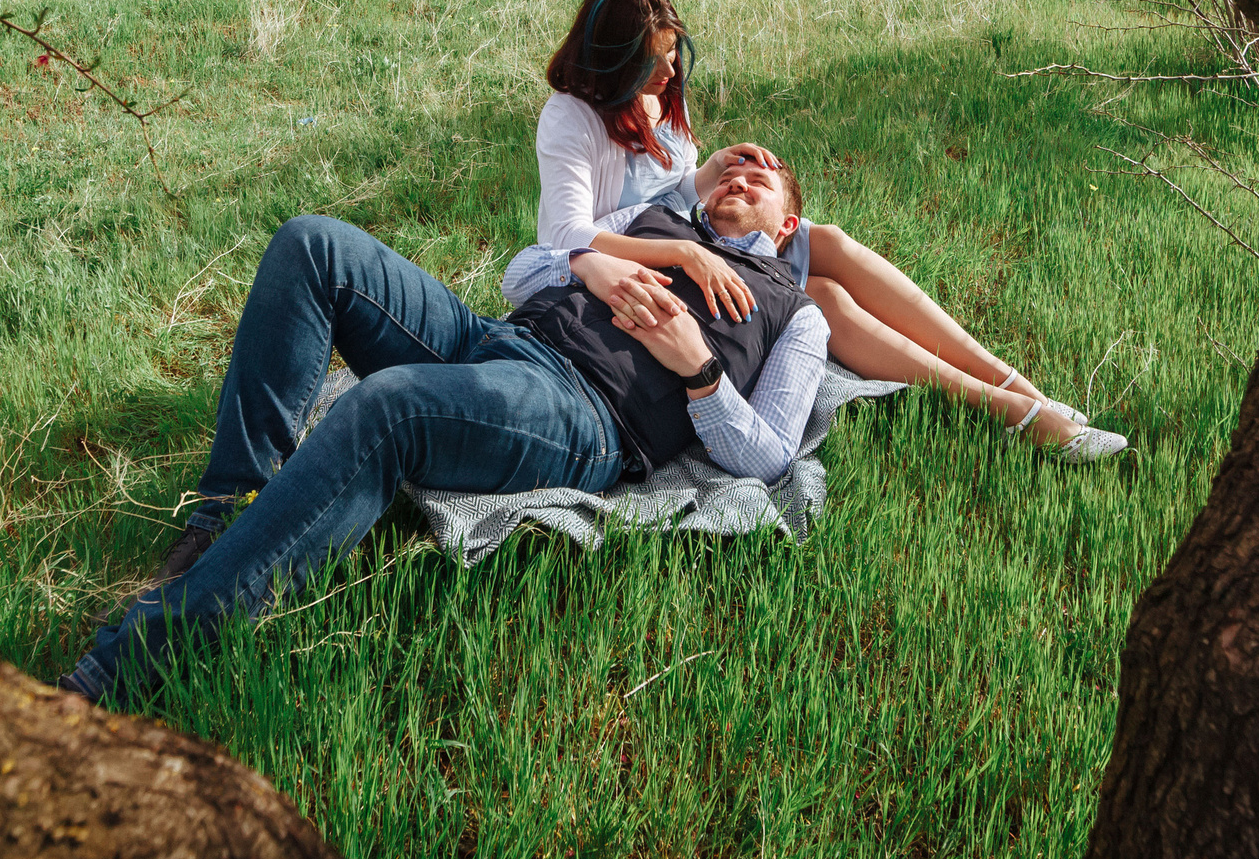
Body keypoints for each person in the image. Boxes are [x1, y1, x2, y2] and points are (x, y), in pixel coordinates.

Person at [62, 162, 829, 708]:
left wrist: (698, 370)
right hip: (495, 338)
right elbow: (525, 269)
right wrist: (588, 264)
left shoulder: (794, 312)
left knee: (387, 408)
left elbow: (767, 454)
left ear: (787, 221)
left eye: (761, 175)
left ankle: (132, 660)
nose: (740, 173)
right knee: (313, 242)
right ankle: (229, 509)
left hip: (580, 408)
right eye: (732, 162)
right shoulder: (657, 221)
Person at [534, 0, 1125, 460]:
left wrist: (705, 174)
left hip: (694, 230)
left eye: (671, 56)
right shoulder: (571, 117)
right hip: (646, 254)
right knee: (823, 301)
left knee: (829, 244)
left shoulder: (664, 95)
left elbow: (663, 192)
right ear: (612, 64)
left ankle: (1019, 386)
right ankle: (1008, 411)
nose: (669, 74)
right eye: (651, 63)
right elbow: (566, 235)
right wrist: (689, 252)